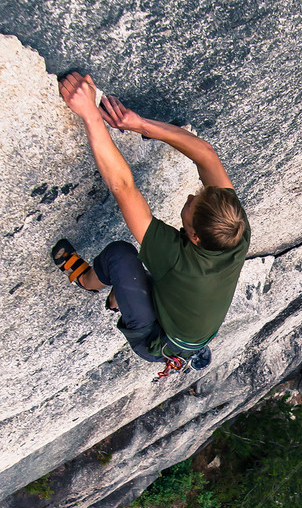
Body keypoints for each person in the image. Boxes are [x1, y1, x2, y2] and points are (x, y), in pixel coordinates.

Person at [51, 72, 250, 367]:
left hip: (159, 339)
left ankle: (87, 281)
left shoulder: (178, 258)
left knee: (119, 256)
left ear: (194, 237)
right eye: (200, 195)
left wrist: (90, 114)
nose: (191, 198)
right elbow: (206, 154)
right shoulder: (233, 226)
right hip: (188, 317)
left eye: (192, 207)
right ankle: (128, 295)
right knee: (148, 277)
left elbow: (122, 186)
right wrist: (138, 124)